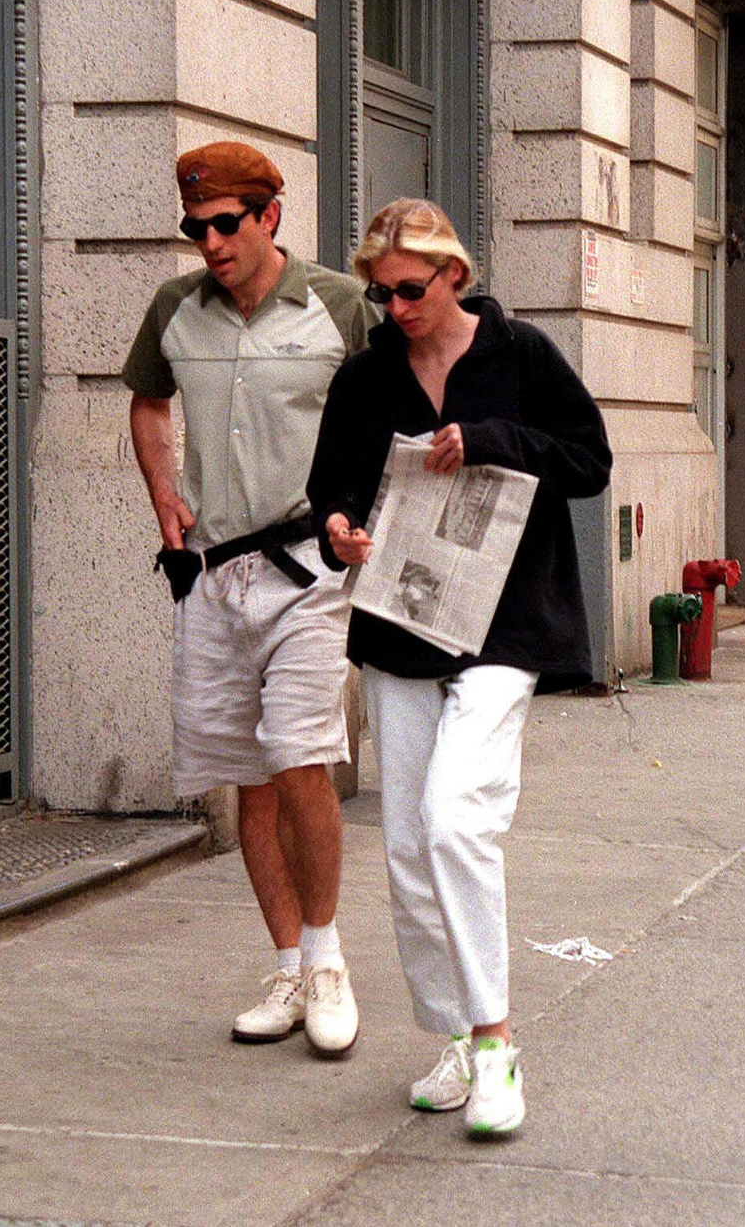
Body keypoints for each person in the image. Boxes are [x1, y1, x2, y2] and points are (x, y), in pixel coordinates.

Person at [307, 199, 612, 1131]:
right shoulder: (367, 378)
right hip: (399, 620)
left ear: (455, 277)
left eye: (410, 288)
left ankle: (496, 1045)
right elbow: (333, 483)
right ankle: (450, 1037)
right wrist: (338, 529)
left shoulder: (520, 357)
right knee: (406, 846)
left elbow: (590, 460)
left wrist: (493, 441)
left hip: (506, 624)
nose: (393, 306)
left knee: (452, 822)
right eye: (379, 291)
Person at [123, 141, 376, 1057]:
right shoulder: (174, 311)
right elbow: (149, 403)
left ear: (270, 217)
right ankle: (288, 968)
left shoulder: (338, 306)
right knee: (250, 782)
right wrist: (161, 491)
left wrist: (363, 516)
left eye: (226, 224)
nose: (211, 243)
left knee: (302, 758)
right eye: (197, 228)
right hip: (213, 572)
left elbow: (393, 413)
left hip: (308, 567)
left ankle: (329, 959)